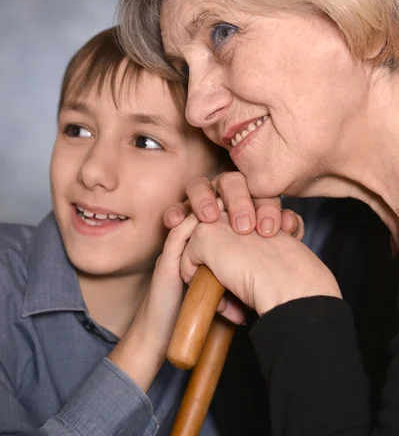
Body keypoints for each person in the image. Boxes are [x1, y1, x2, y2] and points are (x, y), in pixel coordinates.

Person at [117, 0, 399, 434]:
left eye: (222, 33)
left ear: (357, 10)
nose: (197, 110)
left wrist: (298, 301)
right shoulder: (354, 249)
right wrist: (259, 290)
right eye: (184, 69)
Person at [0, 26, 261, 436]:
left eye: (144, 141)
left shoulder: (228, 313)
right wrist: (148, 341)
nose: (92, 172)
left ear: (221, 179)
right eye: (77, 130)